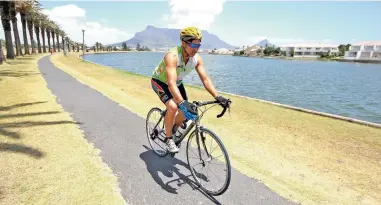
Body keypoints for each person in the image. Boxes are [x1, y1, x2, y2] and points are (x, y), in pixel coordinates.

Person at [150, 26, 230, 153]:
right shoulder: (172, 56)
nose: (196, 49)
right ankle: (169, 138)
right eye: (193, 45)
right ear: (183, 43)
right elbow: (170, 83)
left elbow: (205, 80)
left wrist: (217, 96)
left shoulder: (196, 59)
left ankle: (173, 128)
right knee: (173, 106)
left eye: (198, 45)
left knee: (188, 110)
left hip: (177, 83)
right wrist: (181, 102)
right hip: (160, 82)